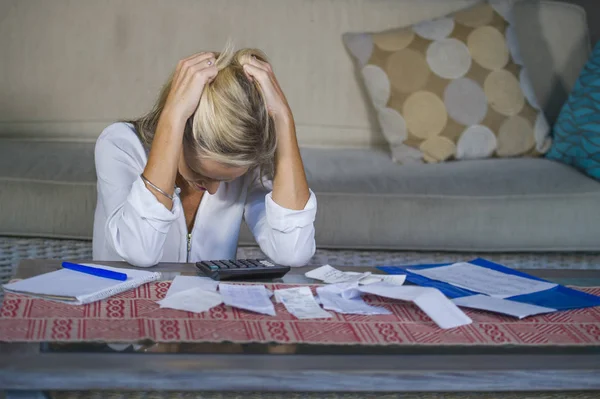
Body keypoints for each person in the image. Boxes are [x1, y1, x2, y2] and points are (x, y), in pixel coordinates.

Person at [92, 46, 317, 267]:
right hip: (122, 299)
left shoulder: (247, 163)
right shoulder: (120, 145)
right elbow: (140, 252)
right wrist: (172, 117)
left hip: (205, 303)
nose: (213, 190)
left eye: (226, 180)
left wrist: (284, 120)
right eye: (199, 174)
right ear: (180, 134)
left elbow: (293, 253)